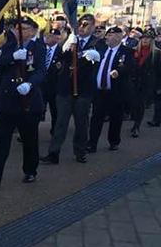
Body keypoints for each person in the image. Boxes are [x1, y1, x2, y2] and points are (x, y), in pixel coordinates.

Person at [0, 16, 45, 187]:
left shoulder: (38, 48)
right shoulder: (8, 46)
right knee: (2, 140)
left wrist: (30, 84)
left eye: (25, 28)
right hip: (9, 99)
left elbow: (40, 71)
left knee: (29, 140)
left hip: (28, 100)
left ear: (33, 31)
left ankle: (30, 170)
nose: (20, 31)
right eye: (18, 28)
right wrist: (13, 57)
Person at [40, 13, 102, 165]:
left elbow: (99, 56)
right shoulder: (70, 40)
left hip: (83, 89)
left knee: (81, 123)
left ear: (93, 27)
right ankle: (53, 153)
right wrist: (66, 44)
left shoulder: (97, 42)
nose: (81, 27)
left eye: (85, 24)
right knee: (60, 122)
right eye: (80, 24)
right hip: (66, 88)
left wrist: (84, 53)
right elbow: (60, 57)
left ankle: (80, 151)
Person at [87, 26, 135, 152]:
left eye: (111, 35)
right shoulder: (101, 49)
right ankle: (92, 143)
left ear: (119, 37)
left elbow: (130, 66)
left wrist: (119, 71)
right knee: (96, 117)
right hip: (100, 90)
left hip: (116, 90)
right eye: (107, 35)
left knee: (115, 117)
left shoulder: (126, 51)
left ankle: (113, 141)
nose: (107, 37)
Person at [131, 29, 155, 137]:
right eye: (143, 38)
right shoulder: (134, 51)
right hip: (133, 82)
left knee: (140, 105)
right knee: (134, 104)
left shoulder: (156, 53)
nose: (145, 40)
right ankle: (134, 120)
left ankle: (137, 126)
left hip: (146, 83)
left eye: (148, 38)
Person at [41, 28, 63, 133]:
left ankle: (55, 131)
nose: (48, 37)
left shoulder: (61, 52)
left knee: (55, 111)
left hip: (54, 87)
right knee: (37, 110)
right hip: (41, 85)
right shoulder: (40, 49)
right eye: (48, 35)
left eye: (51, 36)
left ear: (58, 38)